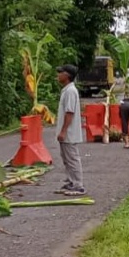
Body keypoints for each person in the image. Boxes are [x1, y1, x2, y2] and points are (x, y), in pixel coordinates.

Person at [54, 64, 85, 196]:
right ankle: (71, 181)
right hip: (66, 133)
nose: (58, 75)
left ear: (67, 76)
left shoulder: (71, 91)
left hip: (69, 133)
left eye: (60, 73)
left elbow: (69, 112)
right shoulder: (66, 90)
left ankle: (78, 185)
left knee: (72, 158)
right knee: (66, 158)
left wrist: (63, 131)